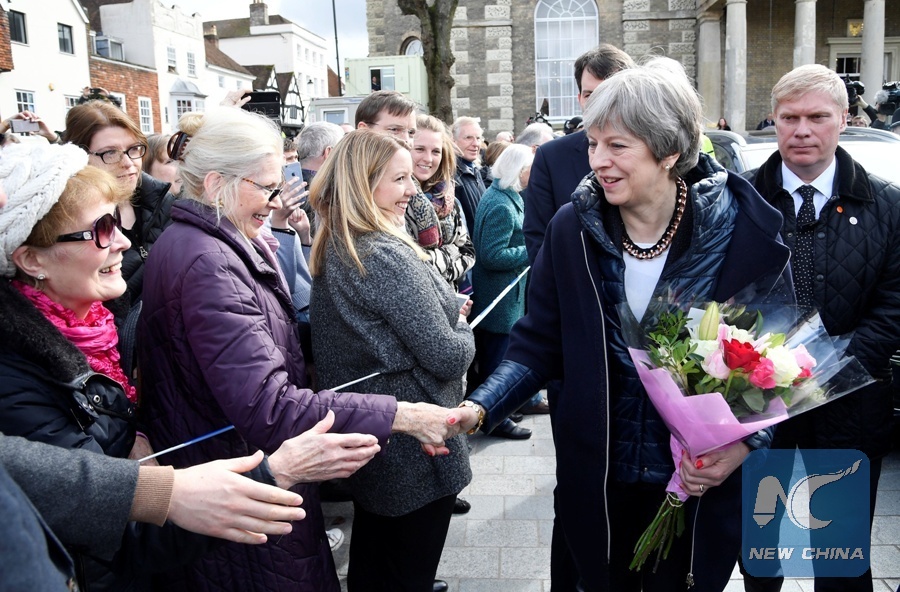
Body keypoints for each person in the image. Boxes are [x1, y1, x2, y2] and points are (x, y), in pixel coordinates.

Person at [457, 57, 793, 591]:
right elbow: (539, 342)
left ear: (669, 151)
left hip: (693, 480)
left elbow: (779, 361)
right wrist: (479, 407)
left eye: (618, 146)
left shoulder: (741, 228)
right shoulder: (573, 228)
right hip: (600, 475)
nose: (599, 161)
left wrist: (744, 446)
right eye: (594, 144)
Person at [0, 142, 366, 591]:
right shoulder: (17, 375)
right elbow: (116, 534)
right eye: (101, 230)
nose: (124, 242)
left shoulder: (98, 328)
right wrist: (276, 472)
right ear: (32, 259)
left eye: (116, 222)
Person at [138, 108, 467, 592]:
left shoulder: (202, 243)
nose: (275, 203)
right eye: (266, 188)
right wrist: (403, 414)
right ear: (215, 184)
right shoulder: (210, 262)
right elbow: (269, 405)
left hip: (233, 473)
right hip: (242, 478)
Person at [743, 63, 900, 592]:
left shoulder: (887, 204)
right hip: (757, 407)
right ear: (774, 120)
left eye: (817, 117)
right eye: (789, 118)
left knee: (840, 556)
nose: (802, 130)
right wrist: (755, 371)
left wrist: (827, 372)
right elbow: (718, 295)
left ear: (844, 119)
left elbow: (894, 305)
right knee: (761, 554)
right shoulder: (740, 200)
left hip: (848, 407)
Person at [309, 129, 475, 592]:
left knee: (377, 558)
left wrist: (442, 310)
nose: (411, 191)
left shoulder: (342, 240)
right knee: (405, 567)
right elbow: (447, 356)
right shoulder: (381, 253)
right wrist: (463, 325)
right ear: (364, 184)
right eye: (399, 179)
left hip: (381, 434)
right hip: (412, 445)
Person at [64, 100, 176, 329]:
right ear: (79, 157)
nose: (128, 163)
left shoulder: (166, 202)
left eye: (134, 149)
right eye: (110, 153)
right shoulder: (71, 223)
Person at [523, 44, 635, 264]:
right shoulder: (551, 157)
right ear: (580, 98)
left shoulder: (654, 152)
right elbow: (538, 239)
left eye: (608, 92)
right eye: (590, 94)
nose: (600, 103)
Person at [471, 144, 544, 436]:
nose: (534, 174)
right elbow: (492, 255)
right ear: (518, 170)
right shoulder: (501, 204)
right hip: (499, 296)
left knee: (503, 353)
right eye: (530, 169)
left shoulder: (504, 195)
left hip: (506, 295)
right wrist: (531, 250)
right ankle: (495, 419)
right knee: (497, 359)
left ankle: (508, 406)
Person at [411, 114, 476, 291]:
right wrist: (451, 252)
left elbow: (468, 252)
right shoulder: (396, 199)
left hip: (450, 295)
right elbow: (412, 268)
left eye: (436, 151)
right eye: (420, 149)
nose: (428, 158)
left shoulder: (449, 199)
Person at [452, 116, 489, 231]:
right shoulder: (451, 175)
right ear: (453, 141)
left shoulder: (475, 170)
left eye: (478, 138)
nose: (476, 143)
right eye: (468, 138)